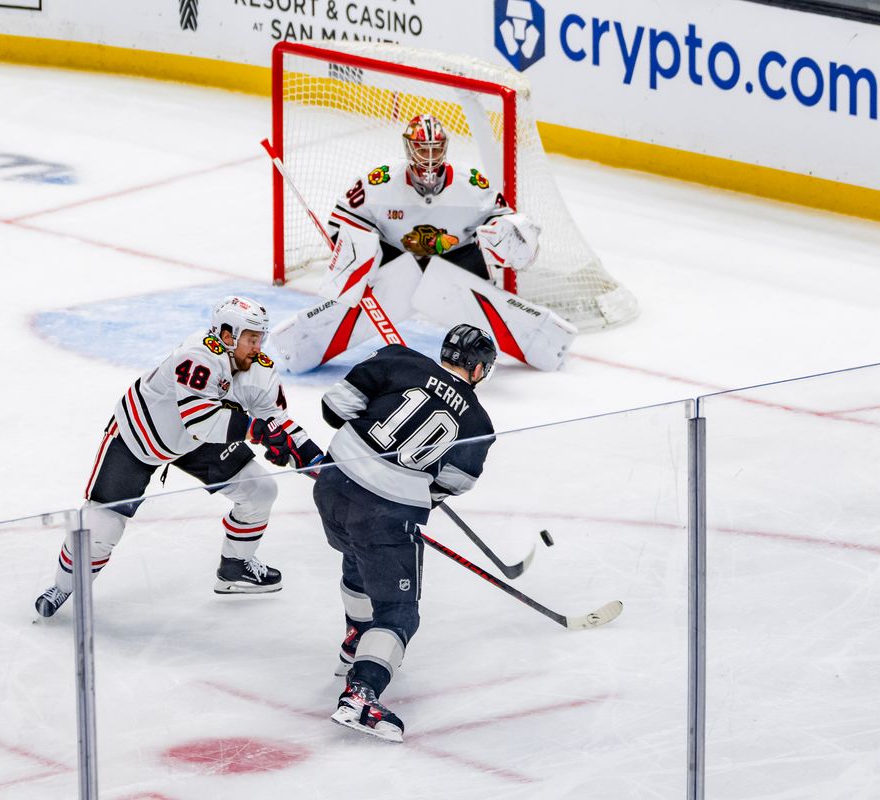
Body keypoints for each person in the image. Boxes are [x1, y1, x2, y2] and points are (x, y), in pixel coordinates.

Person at [35, 296, 322, 617]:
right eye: (251, 338)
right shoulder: (198, 356)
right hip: (140, 436)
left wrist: (315, 461)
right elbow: (199, 420)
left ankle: (235, 566)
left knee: (259, 490)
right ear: (227, 335)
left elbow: (277, 423)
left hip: (196, 441)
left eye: (260, 338)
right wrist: (255, 431)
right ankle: (62, 586)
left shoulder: (259, 372)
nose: (258, 347)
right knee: (103, 527)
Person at [271, 113, 576, 374]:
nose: (429, 157)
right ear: (408, 148)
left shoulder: (472, 184)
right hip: (395, 260)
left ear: (445, 148)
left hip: (456, 260)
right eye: (421, 148)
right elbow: (343, 221)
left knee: (473, 292)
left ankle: (543, 341)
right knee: (374, 281)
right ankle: (300, 346)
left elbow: (505, 224)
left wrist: (509, 233)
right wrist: (356, 257)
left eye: (435, 148)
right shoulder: (379, 181)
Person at [313, 323, 497, 742]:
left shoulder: (399, 358)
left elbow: (334, 405)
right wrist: (408, 492)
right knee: (398, 613)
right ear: (480, 369)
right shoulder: (479, 421)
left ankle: (357, 638)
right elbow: (452, 484)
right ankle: (360, 696)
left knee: (358, 554)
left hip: (332, 486)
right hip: (386, 512)